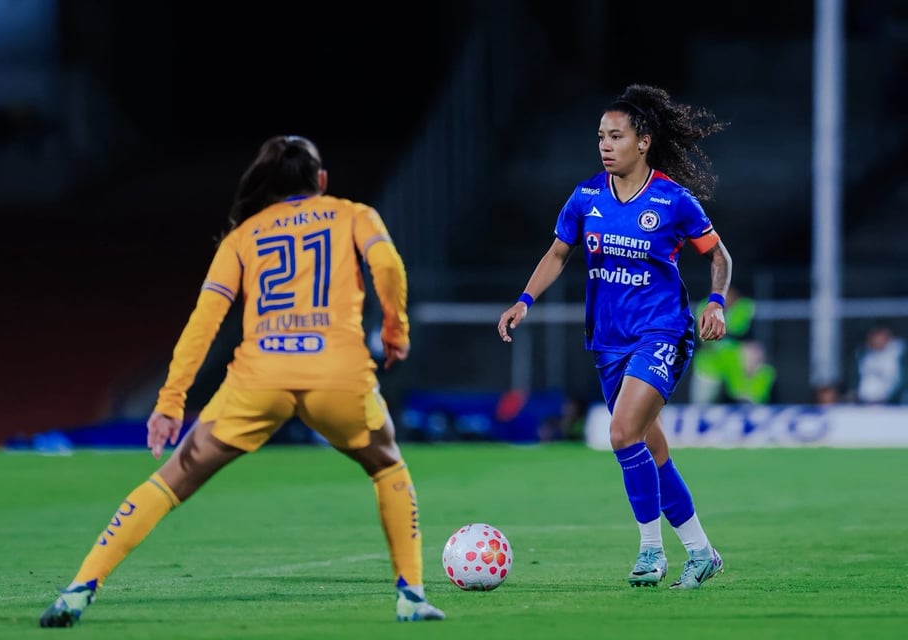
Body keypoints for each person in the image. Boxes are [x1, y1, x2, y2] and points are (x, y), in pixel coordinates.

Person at [39, 135, 445, 626]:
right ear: (320, 180)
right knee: (387, 468)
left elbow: (204, 320)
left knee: (172, 481)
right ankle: (411, 596)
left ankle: (80, 589)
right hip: (336, 373)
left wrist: (170, 401)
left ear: (269, 184)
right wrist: (394, 330)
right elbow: (387, 265)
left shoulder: (243, 236)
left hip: (259, 378)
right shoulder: (355, 214)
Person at [497, 84, 731, 590]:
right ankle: (701, 551)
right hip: (608, 339)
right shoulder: (586, 197)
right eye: (600, 136)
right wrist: (524, 300)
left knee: (622, 433)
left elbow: (717, 254)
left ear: (643, 141)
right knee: (651, 449)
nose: (605, 145)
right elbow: (558, 253)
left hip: (662, 329)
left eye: (616, 136)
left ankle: (651, 551)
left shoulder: (673, 199)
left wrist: (715, 302)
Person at [689, 286, 776, 404]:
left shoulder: (743, 307)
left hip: (737, 359)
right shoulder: (705, 307)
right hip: (712, 358)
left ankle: (747, 407)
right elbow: (706, 339)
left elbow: (744, 335)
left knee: (753, 358)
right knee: (704, 392)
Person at [851, 323, 907, 405]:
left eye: (880, 338)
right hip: (864, 403)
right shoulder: (862, 355)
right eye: (874, 338)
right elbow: (855, 379)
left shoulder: (899, 355)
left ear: (888, 338)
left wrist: (891, 399)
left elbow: (902, 381)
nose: (877, 341)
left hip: (891, 403)